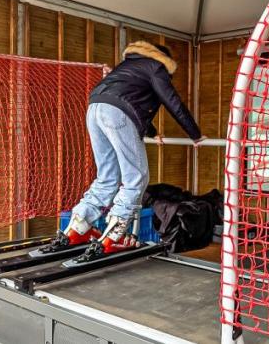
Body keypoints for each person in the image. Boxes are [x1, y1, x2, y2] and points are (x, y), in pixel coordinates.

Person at [43, 40, 205, 257]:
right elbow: (171, 100)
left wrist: (153, 134)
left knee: (107, 176)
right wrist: (195, 134)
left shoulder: (126, 67)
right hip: (117, 114)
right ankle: (115, 235)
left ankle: (77, 226)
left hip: (94, 110)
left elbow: (131, 100)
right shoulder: (156, 66)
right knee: (136, 177)